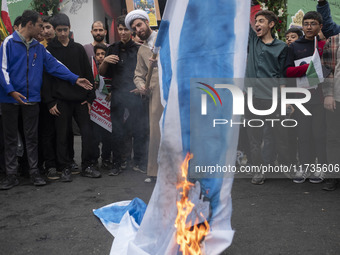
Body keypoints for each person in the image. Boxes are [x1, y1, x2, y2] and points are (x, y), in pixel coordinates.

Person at [0, 10, 92, 190]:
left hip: (32, 99)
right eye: (40, 26)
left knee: (32, 137)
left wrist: (75, 78)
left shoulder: (39, 47)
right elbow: (2, 70)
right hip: (9, 99)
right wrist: (11, 91)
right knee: (10, 138)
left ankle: (35, 172)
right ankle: (11, 175)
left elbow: (55, 66)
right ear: (30, 25)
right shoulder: (8, 43)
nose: (43, 30)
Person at [42, 13, 100, 182]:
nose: (62, 33)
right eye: (59, 30)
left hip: (81, 99)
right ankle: (65, 167)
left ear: (69, 29)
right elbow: (45, 79)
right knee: (62, 135)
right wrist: (50, 101)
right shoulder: (49, 51)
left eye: (65, 30)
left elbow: (88, 74)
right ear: (54, 29)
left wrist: (90, 98)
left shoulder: (79, 49)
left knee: (88, 132)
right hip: (60, 100)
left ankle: (88, 165)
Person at [99, 15, 148, 176]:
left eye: (126, 29)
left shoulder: (140, 48)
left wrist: (141, 87)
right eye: (120, 29)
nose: (123, 32)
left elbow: (146, 71)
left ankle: (139, 162)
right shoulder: (112, 48)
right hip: (118, 94)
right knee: (117, 130)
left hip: (135, 94)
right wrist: (105, 61)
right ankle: (117, 163)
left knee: (139, 129)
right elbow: (102, 73)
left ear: (132, 31)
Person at [245, 10, 290, 185]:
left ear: (271, 24)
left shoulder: (282, 47)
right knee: (254, 138)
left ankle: (286, 166)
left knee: (280, 135)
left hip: (273, 98)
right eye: (256, 21)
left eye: (261, 21)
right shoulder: (253, 40)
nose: (257, 24)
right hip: (251, 98)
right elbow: (243, 20)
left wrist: (285, 100)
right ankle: (258, 171)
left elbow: (280, 75)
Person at [285, 11, 327, 184]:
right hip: (301, 98)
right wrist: (308, 69)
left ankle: (321, 167)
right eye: (306, 23)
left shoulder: (324, 45)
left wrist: (319, 72)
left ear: (320, 26)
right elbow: (287, 72)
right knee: (302, 135)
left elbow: (329, 68)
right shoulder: (295, 46)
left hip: (321, 98)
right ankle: (304, 167)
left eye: (313, 24)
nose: (309, 27)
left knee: (319, 135)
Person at [125, 10, 164, 183]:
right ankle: (155, 173)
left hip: (172, 91)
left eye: (139, 24)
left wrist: (162, 62)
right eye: (134, 28)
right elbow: (138, 75)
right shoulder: (142, 50)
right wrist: (141, 86)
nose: (138, 30)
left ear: (148, 22)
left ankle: (182, 172)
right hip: (155, 96)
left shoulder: (165, 39)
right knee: (156, 133)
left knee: (176, 131)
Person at [321, 33, 340, 191]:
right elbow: (327, 69)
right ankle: (333, 177)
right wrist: (328, 94)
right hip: (337, 98)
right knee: (333, 138)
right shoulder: (334, 40)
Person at [91, 43, 112, 170]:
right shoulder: (91, 70)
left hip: (108, 106)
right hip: (95, 106)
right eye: (98, 54)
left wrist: (112, 92)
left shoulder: (111, 69)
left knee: (107, 136)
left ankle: (106, 158)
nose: (100, 57)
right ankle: (94, 159)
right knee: (95, 136)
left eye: (103, 54)